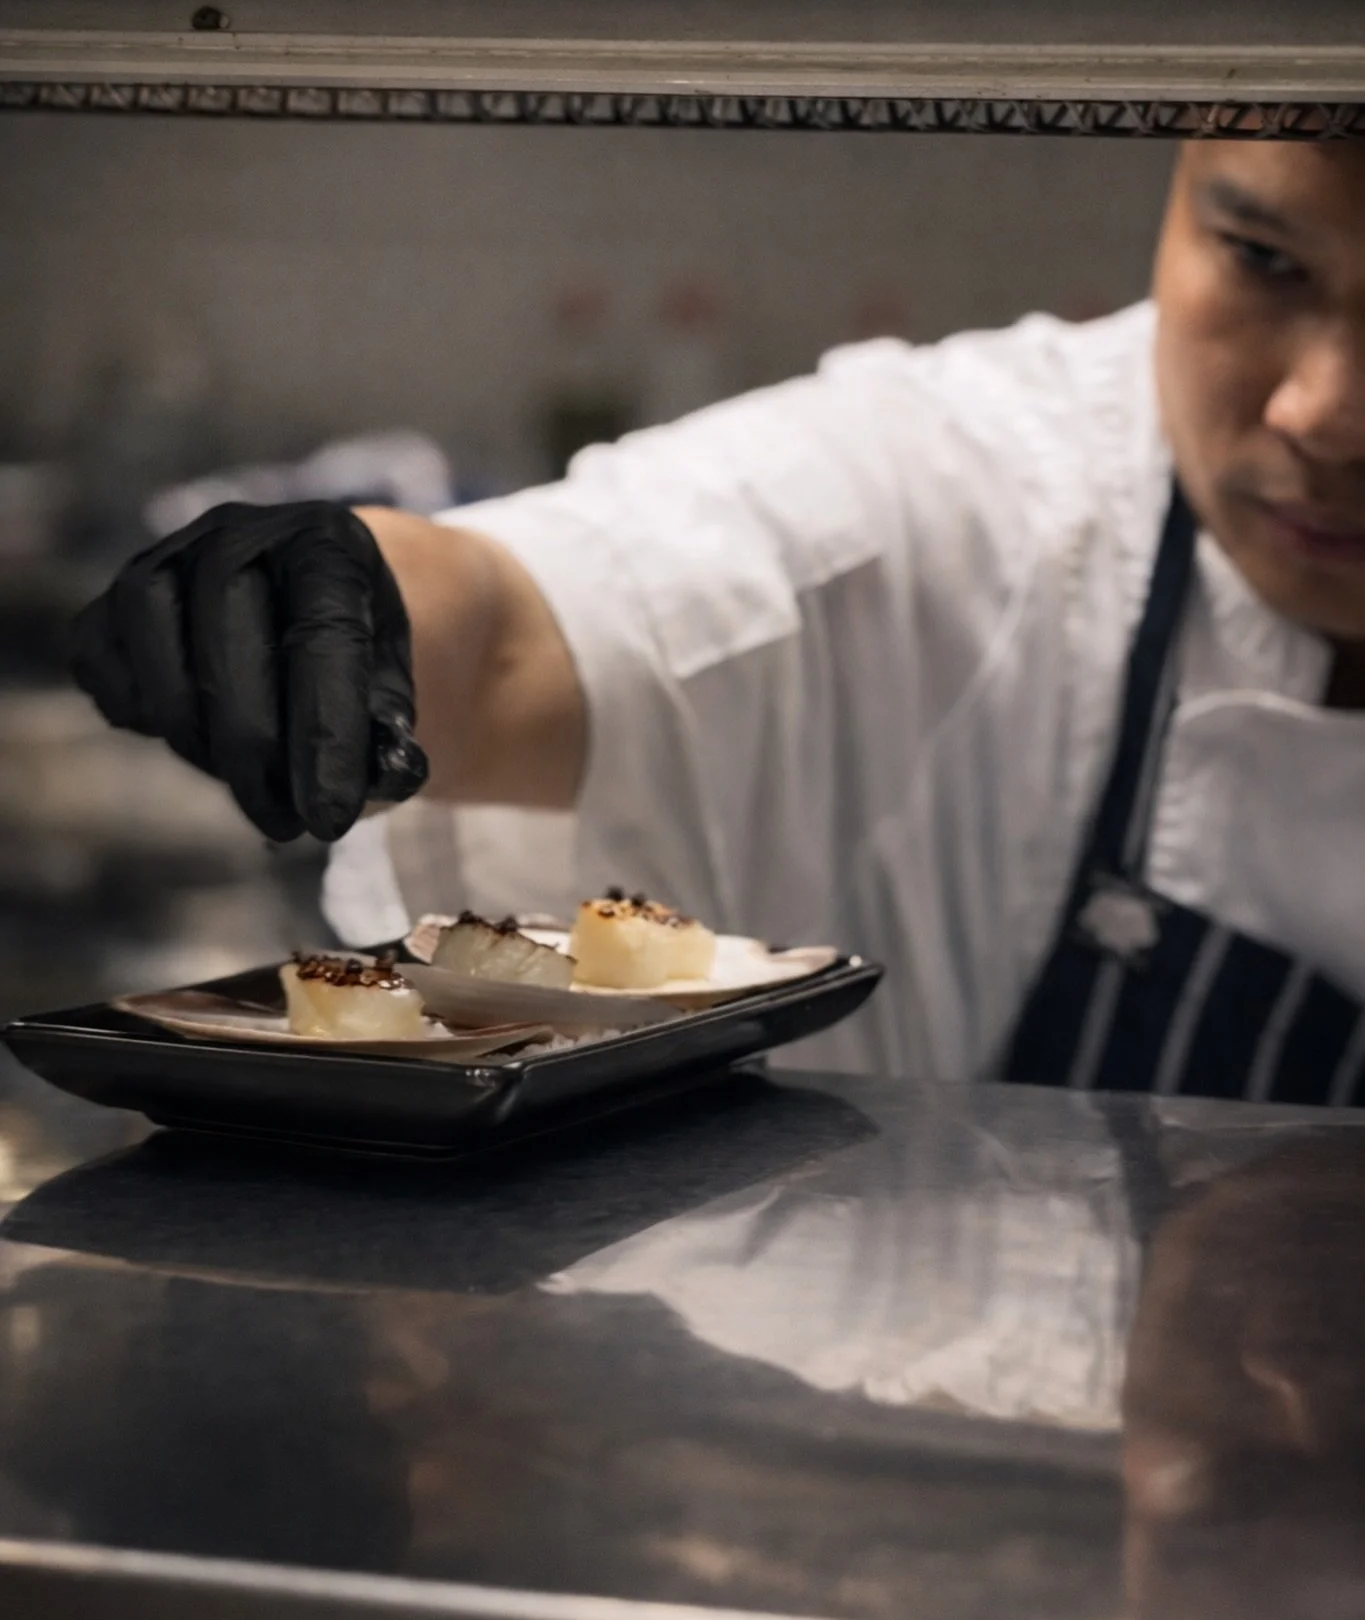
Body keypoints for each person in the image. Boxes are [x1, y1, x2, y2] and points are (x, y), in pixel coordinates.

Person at [71, 142, 1365, 1094]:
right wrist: (357, 589)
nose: (1328, 413)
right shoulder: (1020, 477)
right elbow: (531, 618)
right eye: (1261, 259)